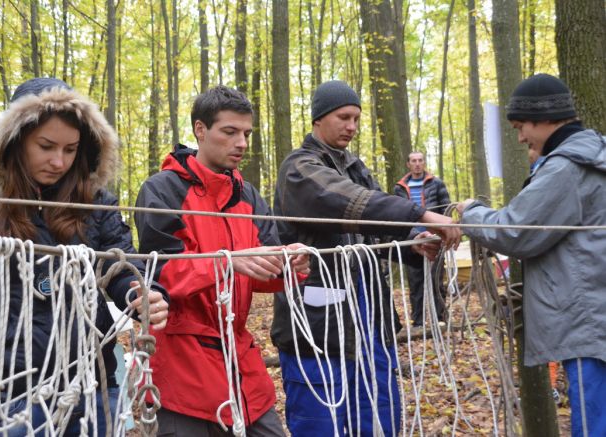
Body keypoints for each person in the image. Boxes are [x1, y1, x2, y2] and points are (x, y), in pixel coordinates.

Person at [0, 77, 169, 436]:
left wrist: (140, 294)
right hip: (16, 393)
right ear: (15, 142)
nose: (59, 161)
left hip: (96, 387)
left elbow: (121, 266)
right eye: (45, 146)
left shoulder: (95, 204)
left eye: (71, 150)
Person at [271, 80, 461, 436]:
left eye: (357, 119)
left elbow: (377, 227)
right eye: (344, 117)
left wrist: (412, 242)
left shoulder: (356, 167)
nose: (352, 127)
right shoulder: (300, 168)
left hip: (369, 313)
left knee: (377, 409)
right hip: (318, 323)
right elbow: (347, 200)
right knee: (322, 416)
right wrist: (422, 216)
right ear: (319, 118)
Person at [134, 85, 310, 436]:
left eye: (246, 133)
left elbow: (260, 269)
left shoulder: (247, 195)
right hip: (182, 374)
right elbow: (161, 276)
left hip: (242, 367)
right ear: (200, 130)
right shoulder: (163, 190)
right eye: (229, 132)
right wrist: (228, 262)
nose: (241, 143)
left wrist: (288, 267)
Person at [457, 73, 606, 437]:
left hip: (589, 321)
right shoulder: (594, 156)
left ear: (546, 118)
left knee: (593, 424)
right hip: (598, 313)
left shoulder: (567, 167)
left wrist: (470, 212)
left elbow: (516, 230)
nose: (521, 137)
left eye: (522, 126)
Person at [394, 151, 451, 326]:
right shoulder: (400, 188)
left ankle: (439, 318)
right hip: (412, 240)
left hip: (434, 238)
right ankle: (418, 321)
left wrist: (444, 231)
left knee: (437, 280)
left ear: (424, 163)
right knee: (416, 283)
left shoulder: (437, 183)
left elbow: (446, 209)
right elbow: (397, 213)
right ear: (408, 164)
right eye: (413, 161)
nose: (417, 164)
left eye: (420, 160)